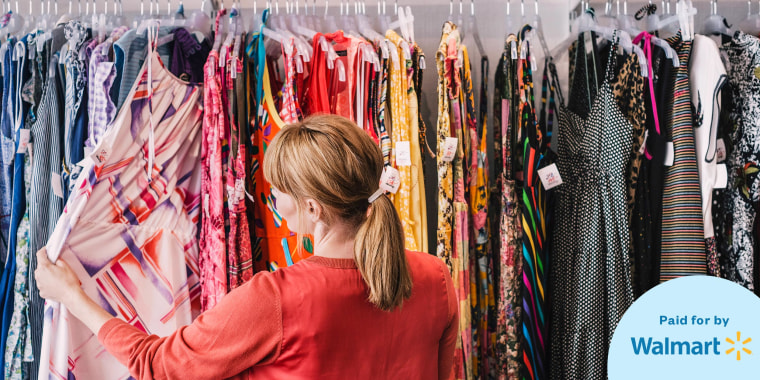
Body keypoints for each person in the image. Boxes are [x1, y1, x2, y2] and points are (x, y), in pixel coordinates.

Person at [35, 114, 459, 379]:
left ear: (312, 208)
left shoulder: (276, 300)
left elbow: (160, 366)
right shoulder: (435, 278)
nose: (273, 202)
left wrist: (73, 296)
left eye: (278, 192)